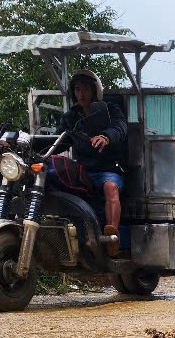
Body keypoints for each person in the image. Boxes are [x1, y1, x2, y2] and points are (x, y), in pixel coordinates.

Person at [58, 69, 126, 253]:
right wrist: (28, 142)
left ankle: (112, 236)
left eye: (86, 89)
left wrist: (106, 137)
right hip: (83, 171)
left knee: (110, 187)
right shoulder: (71, 117)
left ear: (95, 90)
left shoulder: (110, 110)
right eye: (78, 90)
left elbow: (119, 128)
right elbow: (58, 140)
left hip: (108, 169)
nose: (81, 94)